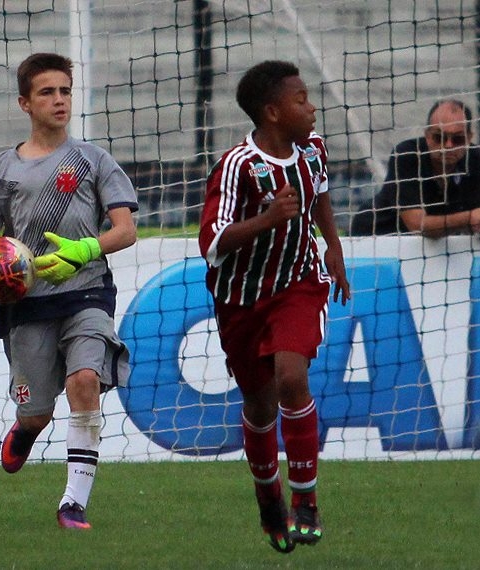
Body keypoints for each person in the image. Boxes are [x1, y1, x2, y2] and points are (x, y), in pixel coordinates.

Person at [0, 52, 137, 529]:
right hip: (26, 304)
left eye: (65, 91)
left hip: (86, 292)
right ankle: (27, 426)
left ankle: (73, 503)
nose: (59, 100)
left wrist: (85, 249)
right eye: (47, 92)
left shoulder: (93, 160)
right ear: (24, 103)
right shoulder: (1, 170)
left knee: (85, 381)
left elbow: (126, 230)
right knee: (36, 413)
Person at [198, 60, 351, 553]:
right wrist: (266, 220)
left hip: (298, 283)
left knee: (291, 376)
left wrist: (333, 247)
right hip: (241, 299)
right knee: (259, 405)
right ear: (272, 112)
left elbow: (319, 192)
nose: (311, 108)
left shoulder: (313, 148)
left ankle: (306, 500)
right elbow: (212, 242)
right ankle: (269, 498)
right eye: (301, 100)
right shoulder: (237, 166)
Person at [351, 99, 480, 236]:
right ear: (427, 136)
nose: (448, 145)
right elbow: (418, 225)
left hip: (440, 241)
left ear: (469, 138)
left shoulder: (476, 160)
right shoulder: (407, 155)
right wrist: (469, 218)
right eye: (439, 137)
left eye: (458, 139)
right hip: (378, 234)